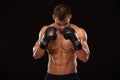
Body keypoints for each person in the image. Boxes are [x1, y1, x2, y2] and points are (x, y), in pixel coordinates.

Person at [33, 4, 90, 80]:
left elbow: (85, 58)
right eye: (59, 24)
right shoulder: (45, 31)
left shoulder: (79, 32)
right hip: (51, 76)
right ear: (53, 17)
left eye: (65, 24)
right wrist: (44, 40)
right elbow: (36, 55)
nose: (62, 27)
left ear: (70, 17)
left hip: (71, 76)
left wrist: (75, 41)